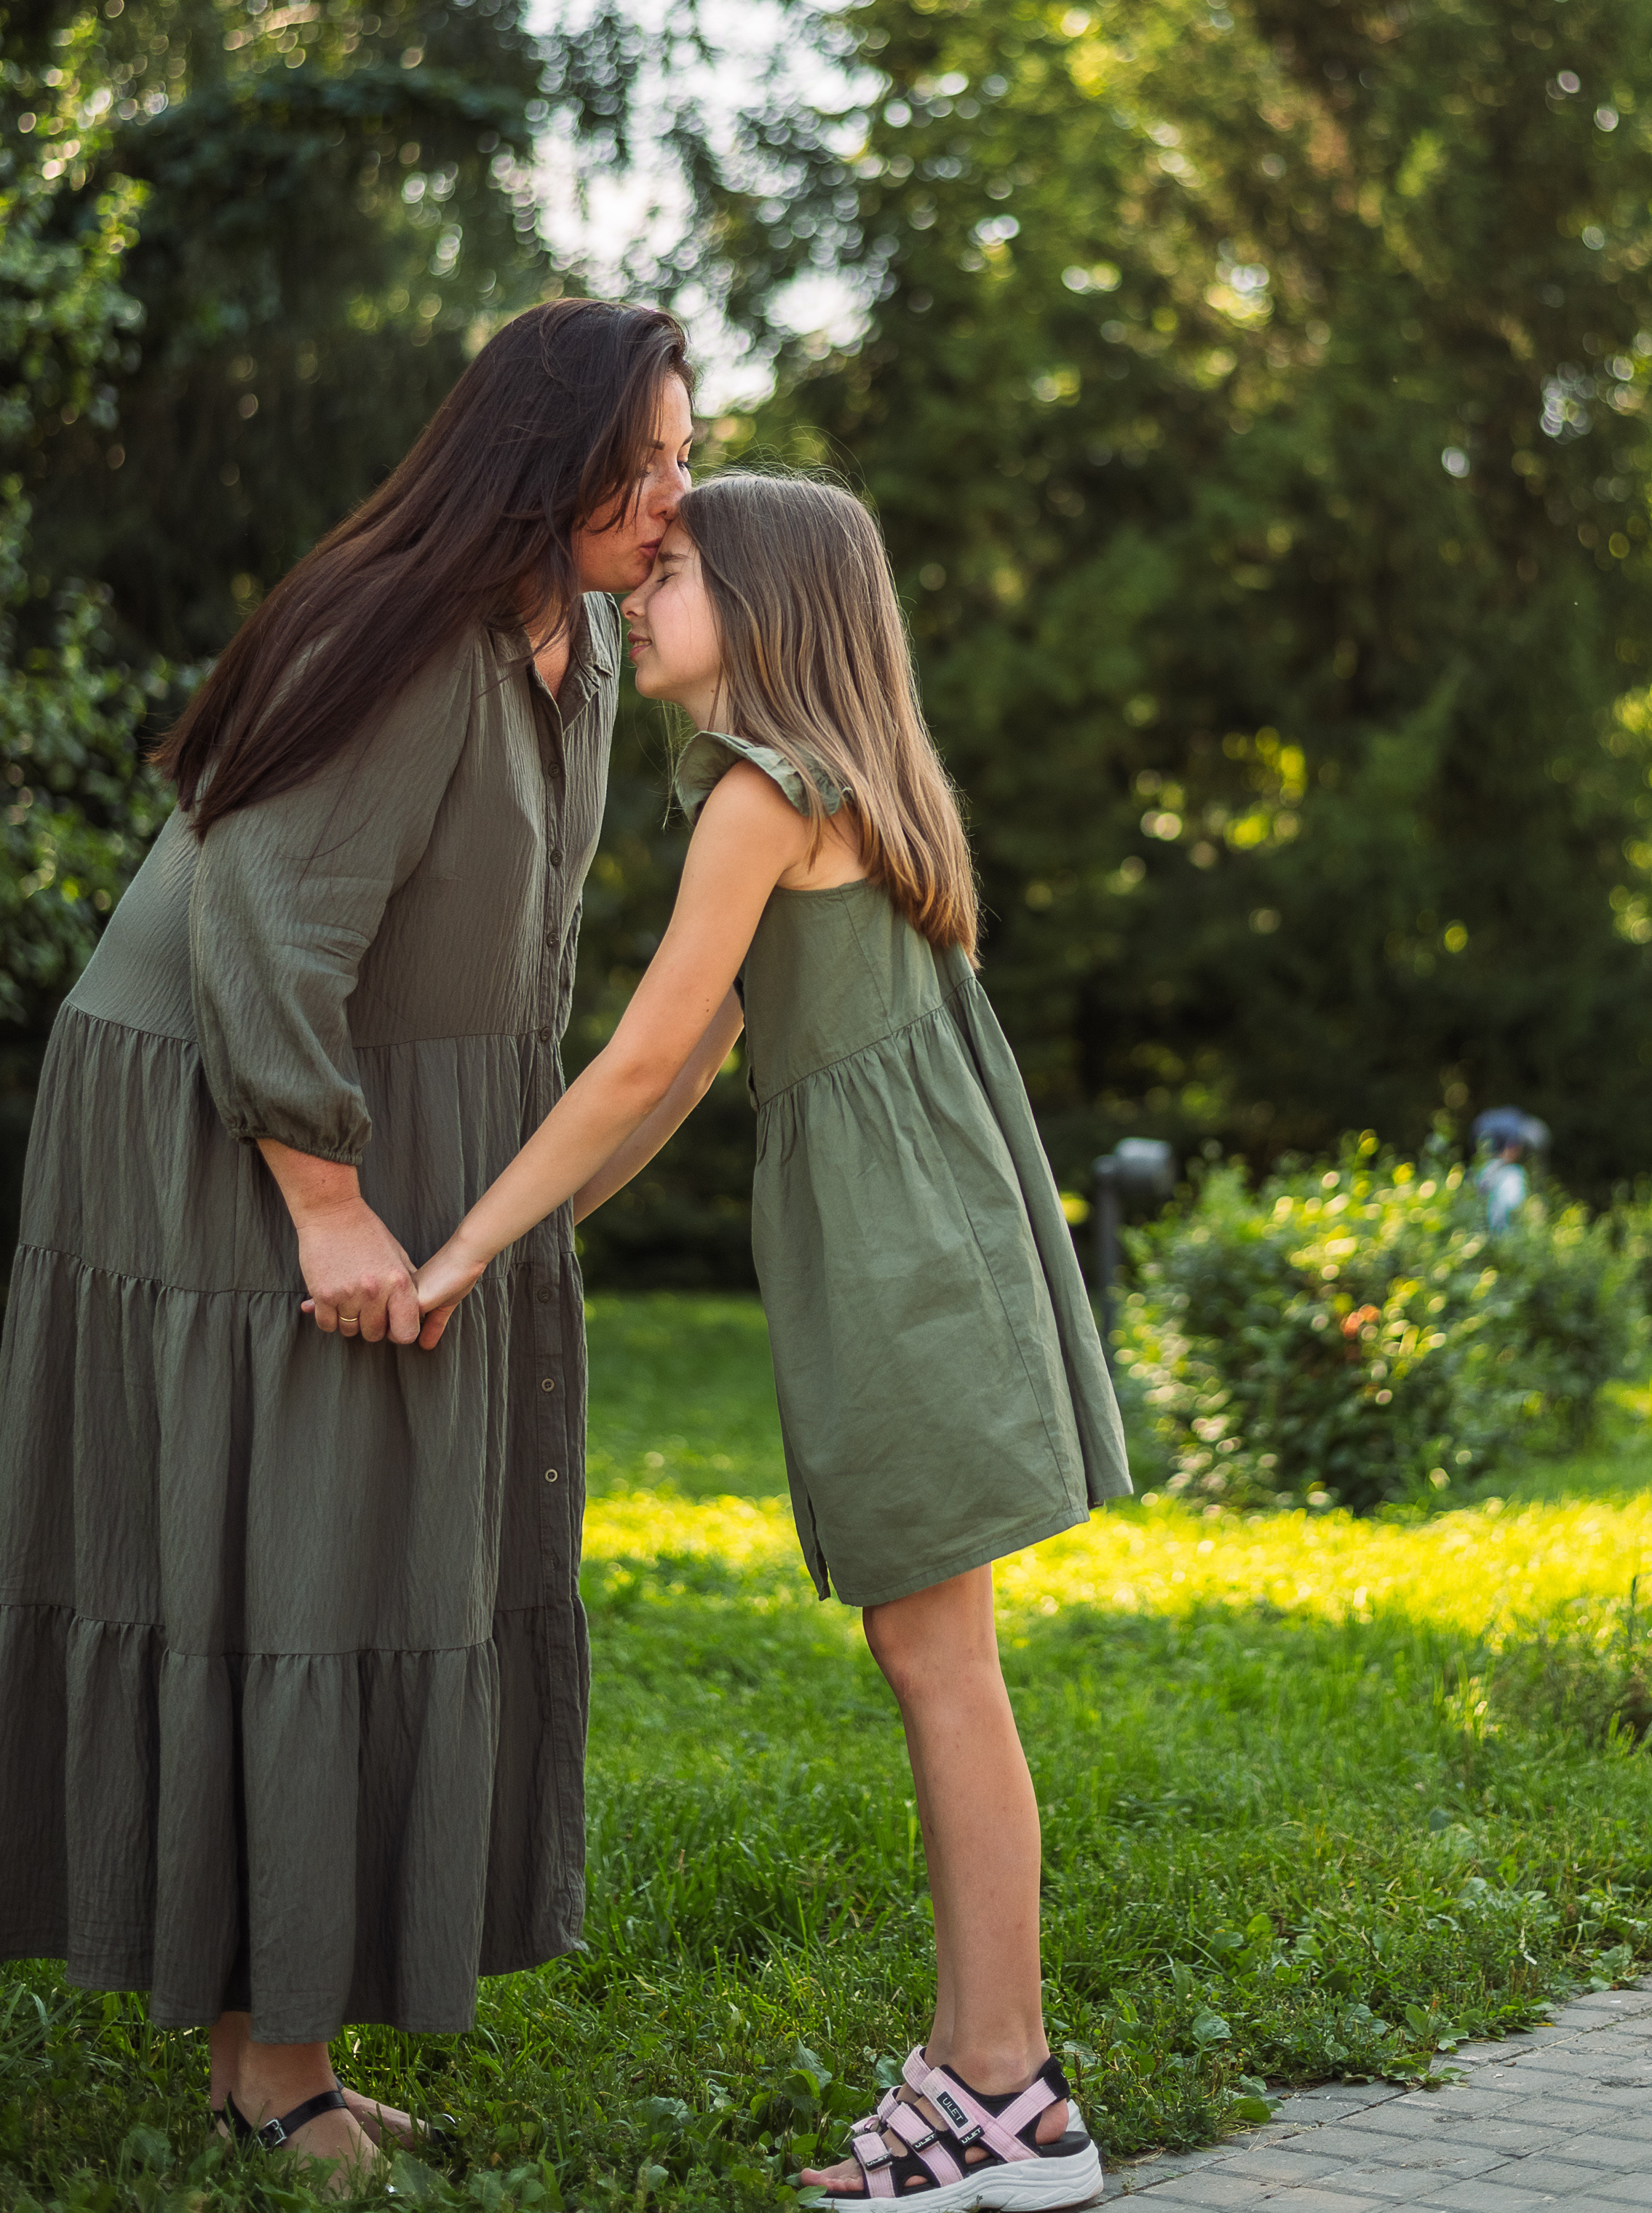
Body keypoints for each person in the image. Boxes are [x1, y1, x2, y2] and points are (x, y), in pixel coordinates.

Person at [0, 297, 704, 2181]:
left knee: (346, 1545)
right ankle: (273, 2064)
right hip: (235, 1093)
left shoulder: (586, 641)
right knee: (299, 1551)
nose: (670, 498)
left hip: (394, 1086)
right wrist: (324, 1198)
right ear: (535, 463)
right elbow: (266, 915)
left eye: (681, 456)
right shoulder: (403, 630)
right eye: (637, 464)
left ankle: (276, 2039)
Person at [405, 472, 1132, 2211]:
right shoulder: (841, 789)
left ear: (770, 606)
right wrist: (534, 1235)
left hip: (901, 1266)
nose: (632, 598)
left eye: (668, 574)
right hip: (922, 1246)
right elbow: (712, 1048)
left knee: (939, 1665)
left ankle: (1009, 2089)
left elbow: (645, 1051)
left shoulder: (759, 796)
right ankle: (989, 2077)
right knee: (939, 1659)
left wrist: (465, 1242)